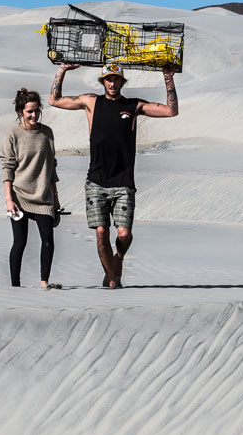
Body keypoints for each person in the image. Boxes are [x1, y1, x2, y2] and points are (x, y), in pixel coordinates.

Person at [48, 61, 178, 288]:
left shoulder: (133, 105)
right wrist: (62, 70)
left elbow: (170, 111)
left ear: (122, 81)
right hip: (96, 180)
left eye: (116, 79)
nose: (112, 83)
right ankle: (111, 279)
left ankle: (118, 259)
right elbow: (54, 100)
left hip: (123, 181)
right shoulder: (91, 102)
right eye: (108, 79)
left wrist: (168, 78)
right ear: (103, 81)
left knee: (124, 234)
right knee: (101, 233)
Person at [0, 88, 62, 289]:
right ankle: (15, 286)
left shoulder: (47, 133)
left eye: (36, 110)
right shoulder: (13, 134)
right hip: (19, 197)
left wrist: (56, 197)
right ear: (20, 112)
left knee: (48, 241)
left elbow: (51, 166)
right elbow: (7, 168)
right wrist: (9, 199)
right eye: (29, 112)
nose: (33, 115)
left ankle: (44, 282)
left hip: (43, 197)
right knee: (20, 243)